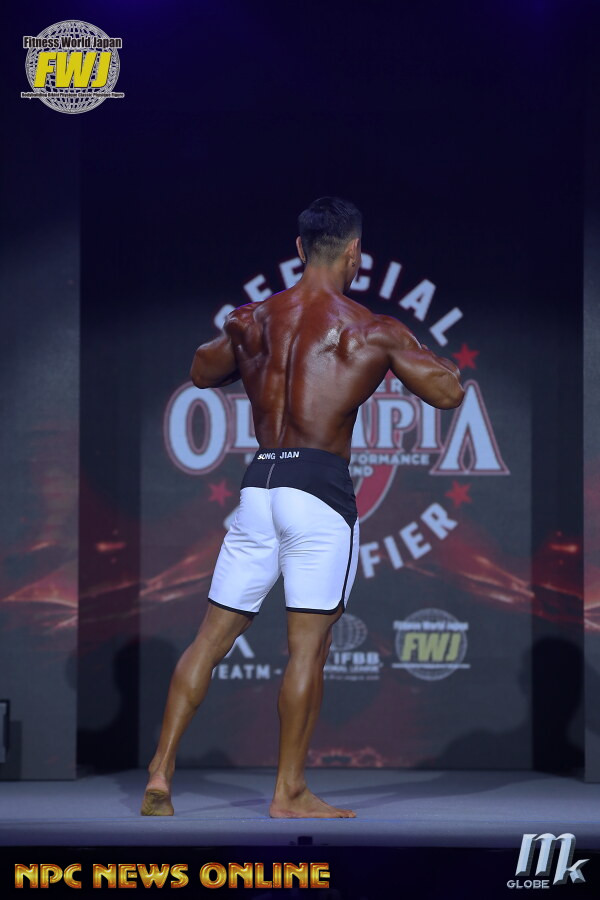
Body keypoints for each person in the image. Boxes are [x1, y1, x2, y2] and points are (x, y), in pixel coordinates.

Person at [141, 196, 464, 819]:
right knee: (307, 649)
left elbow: (202, 371)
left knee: (210, 638)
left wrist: (241, 336)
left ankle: (160, 772)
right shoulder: (372, 328)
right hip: (318, 492)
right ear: (354, 254)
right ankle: (288, 791)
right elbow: (448, 392)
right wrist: (410, 348)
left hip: (259, 488)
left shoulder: (253, 320)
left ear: (298, 249)